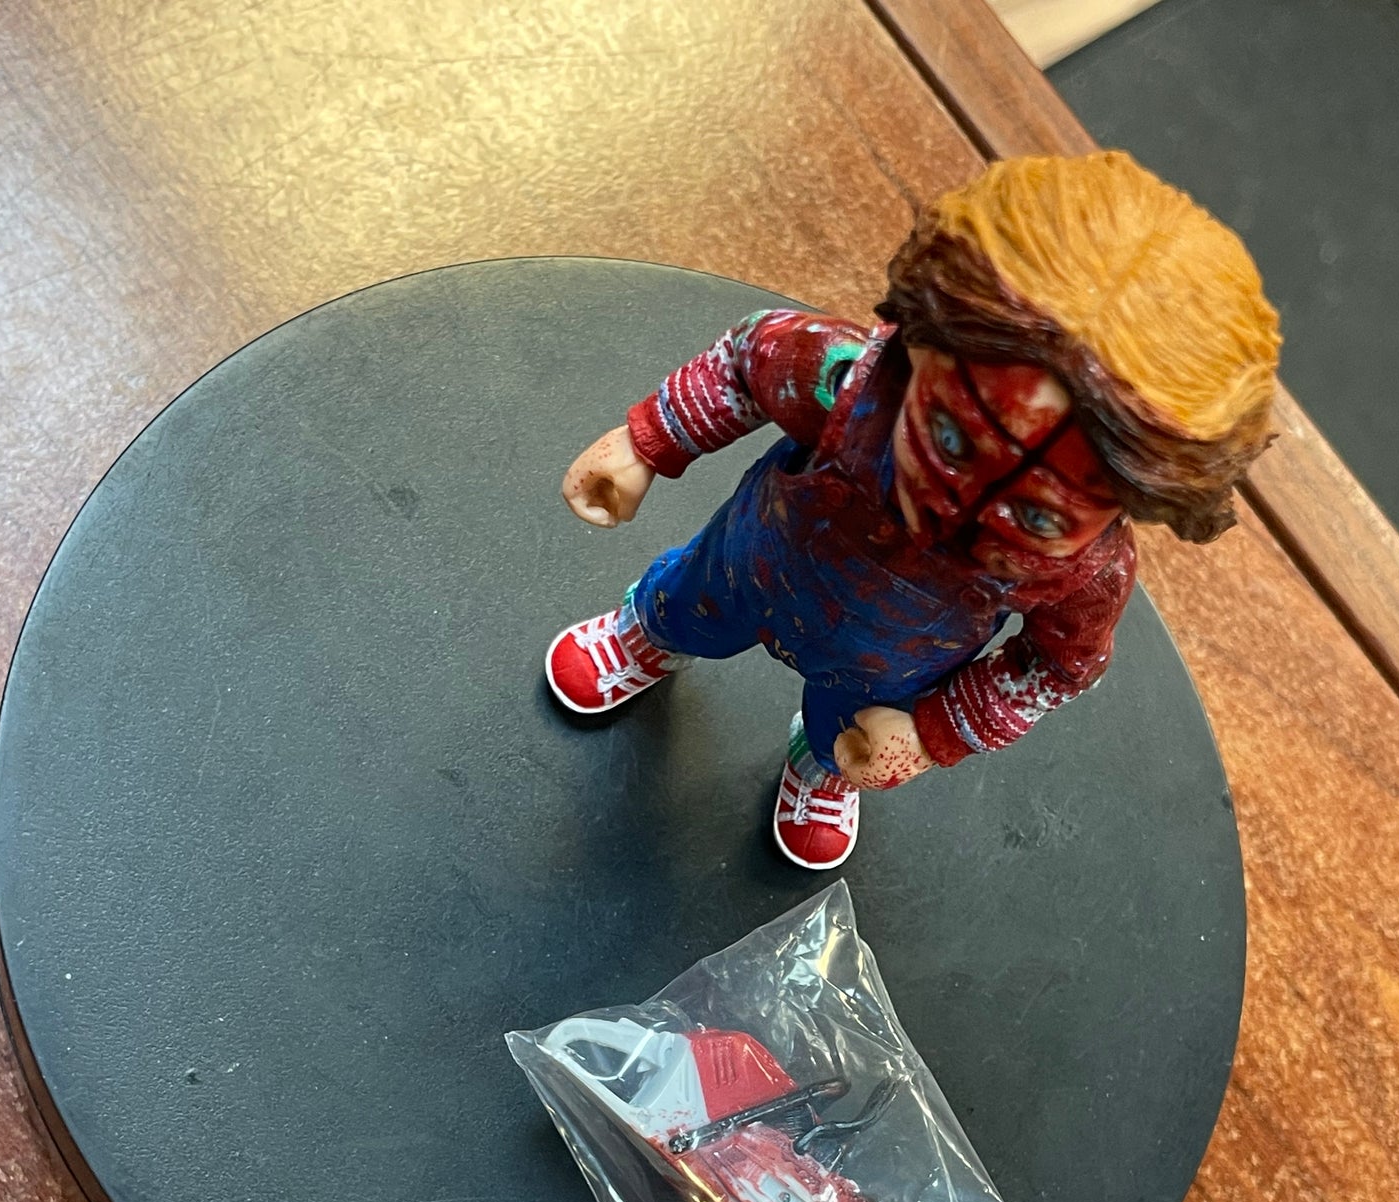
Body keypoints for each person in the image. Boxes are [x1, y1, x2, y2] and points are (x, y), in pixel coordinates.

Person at [546, 151, 1281, 869]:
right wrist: (651, 439)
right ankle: (648, 635)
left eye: (1039, 517)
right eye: (952, 437)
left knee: (849, 737)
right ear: (923, 346)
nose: (961, 510)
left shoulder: (1091, 573)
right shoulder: (848, 380)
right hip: (747, 563)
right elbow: (749, 360)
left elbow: (1057, 666)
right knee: (688, 605)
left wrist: (933, 732)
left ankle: (824, 765)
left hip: (885, 673)